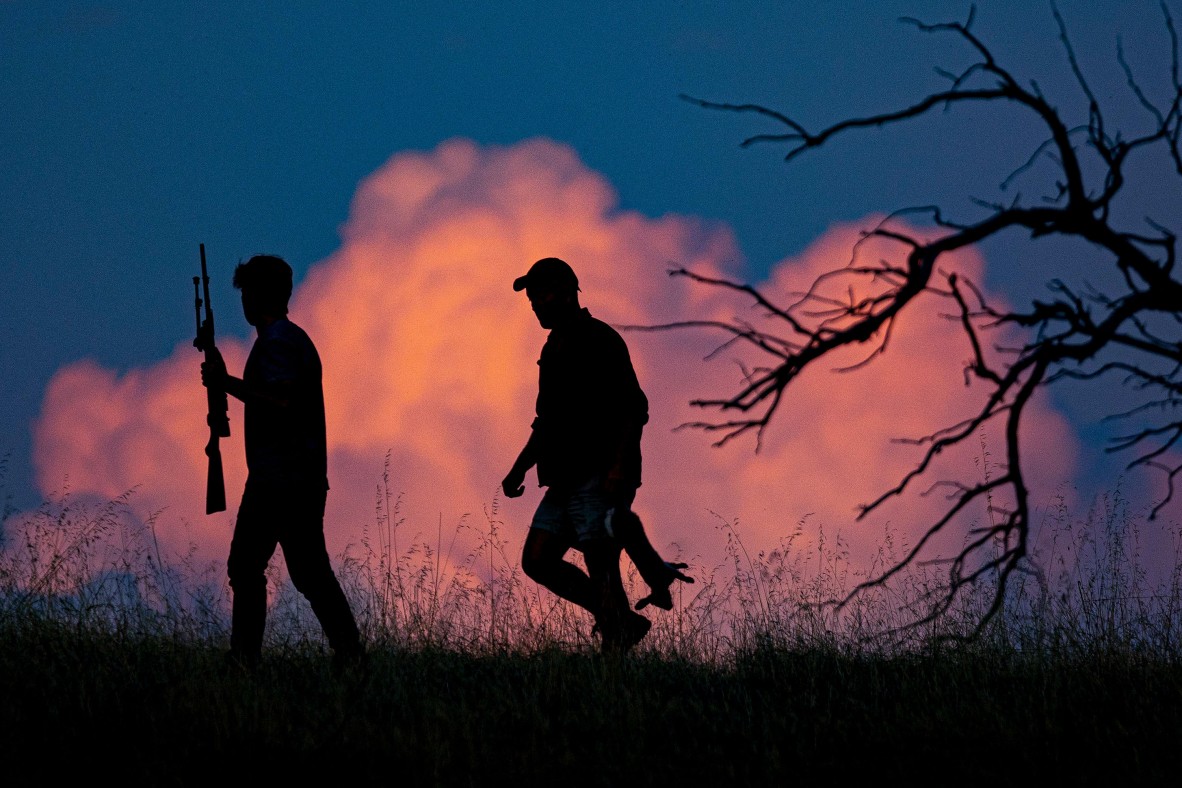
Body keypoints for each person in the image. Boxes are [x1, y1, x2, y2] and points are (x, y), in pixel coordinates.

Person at [502, 257, 692, 653]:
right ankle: (619, 620)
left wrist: (619, 467)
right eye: (532, 296)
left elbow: (633, 408)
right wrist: (519, 469)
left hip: (600, 473)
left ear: (568, 292)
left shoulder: (597, 338)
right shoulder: (553, 346)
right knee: (538, 560)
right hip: (566, 477)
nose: (535, 303)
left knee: (599, 559)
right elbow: (547, 421)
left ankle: (614, 652)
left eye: (542, 293)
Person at [201, 254, 364, 674]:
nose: (243, 301)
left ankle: (244, 661)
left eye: (246, 292)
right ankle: (351, 654)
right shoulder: (287, 340)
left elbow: (282, 402)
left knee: (247, 566)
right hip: (299, 477)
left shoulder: (278, 343)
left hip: (280, 479)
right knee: (310, 573)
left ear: (257, 295)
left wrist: (227, 384)